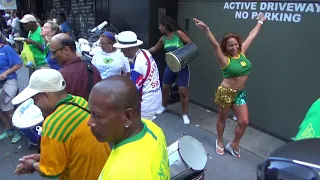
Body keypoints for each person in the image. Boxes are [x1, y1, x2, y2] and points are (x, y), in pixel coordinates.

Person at [12, 69, 110, 180]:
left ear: (47, 96)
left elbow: (51, 172)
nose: (34, 104)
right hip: (106, 171)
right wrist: (43, 157)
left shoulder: (53, 124)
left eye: (34, 99)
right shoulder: (79, 101)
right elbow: (74, 149)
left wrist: (32, 165)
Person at [193, 14, 266, 158]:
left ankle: (234, 144)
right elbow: (214, 44)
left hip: (239, 94)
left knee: (244, 121)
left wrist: (260, 22)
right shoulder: (224, 59)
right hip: (226, 92)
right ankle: (219, 140)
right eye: (230, 45)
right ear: (225, 47)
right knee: (222, 119)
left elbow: (252, 35)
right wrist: (206, 30)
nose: (234, 47)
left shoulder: (242, 52)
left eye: (236, 44)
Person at [88, 75, 170, 179]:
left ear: (128, 116)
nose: (90, 122)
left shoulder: (123, 174)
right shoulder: (153, 129)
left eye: (98, 116)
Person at [148, 16, 192, 125]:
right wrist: (142, 52)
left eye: (160, 26)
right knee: (165, 88)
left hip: (182, 66)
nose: (159, 28)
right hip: (170, 66)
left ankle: (184, 114)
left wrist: (183, 55)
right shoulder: (163, 39)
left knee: (183, 91)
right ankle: (163, 106)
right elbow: (154, 48)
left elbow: (191, 45)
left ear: (166, 26)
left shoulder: (178, 34)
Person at [114, 31, 162, 120]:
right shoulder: (145, 53)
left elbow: (134, 91)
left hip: (146, 103)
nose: (121, 51)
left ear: (128, 48)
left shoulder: (138, 66)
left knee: (140, 128)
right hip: (155, 95)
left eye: (122, 49)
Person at [49, 33, 102, 100]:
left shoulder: (61, 76)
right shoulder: (93, 69)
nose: (52, 57)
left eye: (54, 53)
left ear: (66, 50)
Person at [0, 33, 23, 143]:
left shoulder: (6, 48)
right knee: (1, 108)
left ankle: (18, 130)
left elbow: (19, 64)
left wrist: (6, 72)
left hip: (8, 80)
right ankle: (9, 129)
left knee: (8, 107)